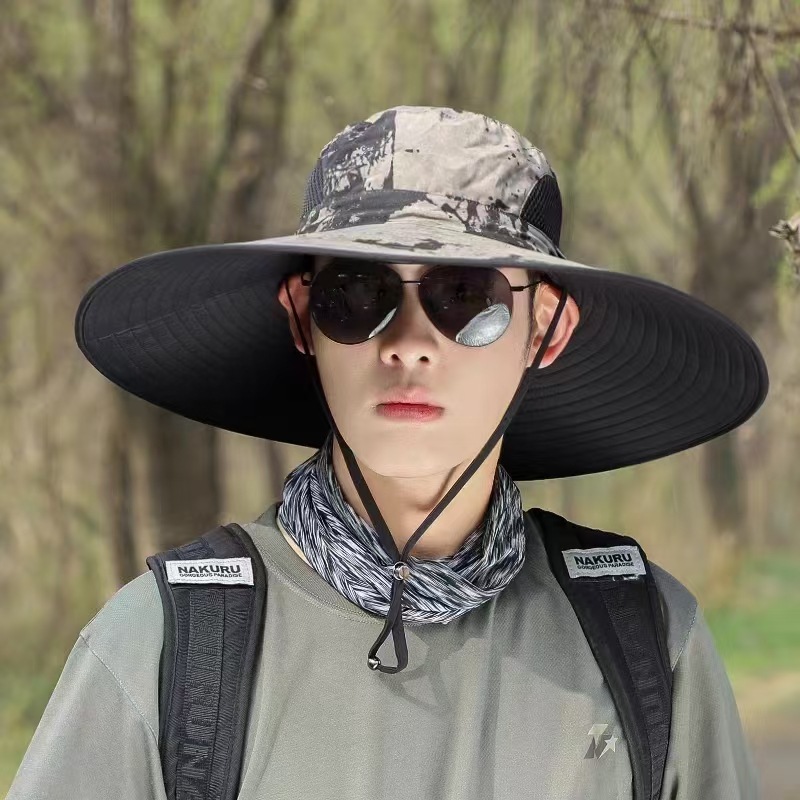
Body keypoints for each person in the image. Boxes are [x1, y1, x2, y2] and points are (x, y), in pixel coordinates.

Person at [7, 105, 765, 799]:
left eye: (464, 296)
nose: (408, 344)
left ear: (546, 329)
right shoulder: (163, 649)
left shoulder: (646, 644)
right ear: (302, 318)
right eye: (358, 294)